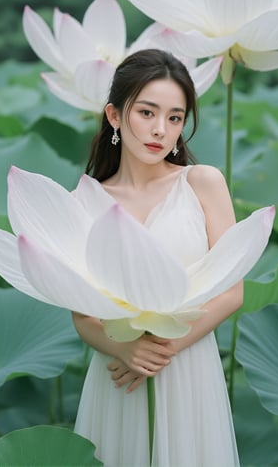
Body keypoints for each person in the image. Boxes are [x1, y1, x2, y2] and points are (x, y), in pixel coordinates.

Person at [72, 49, 242, 466]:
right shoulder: (86, 200)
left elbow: (232, 290)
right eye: (147, 113)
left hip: (188, 362)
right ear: (114, 115)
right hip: (118, 372)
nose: (160, 130)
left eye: (174, 118)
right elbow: (81, 314)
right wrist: (126, 351)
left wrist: (159, 351)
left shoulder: (203, 183)